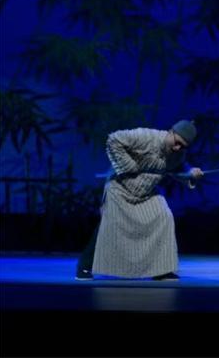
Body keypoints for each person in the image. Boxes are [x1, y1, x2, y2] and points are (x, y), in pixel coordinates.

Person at [75, 120, 204, 280]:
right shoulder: (146, 136)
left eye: (183, 146)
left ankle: (161, 270)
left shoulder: (177, 154)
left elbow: (178, 168)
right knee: (109, 223)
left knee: (164, 217)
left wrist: (191, 173)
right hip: (120, 190)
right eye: (177, 142)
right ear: (171, 131)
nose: (177, 148)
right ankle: (85, 266)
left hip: (146, 194)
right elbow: (114, 139)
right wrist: (128, 166)